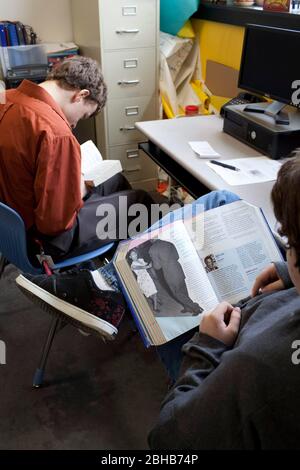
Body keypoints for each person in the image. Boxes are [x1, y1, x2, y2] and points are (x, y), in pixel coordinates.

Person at [148, 157, 300, 450]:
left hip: (227, 357)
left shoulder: (258, 366)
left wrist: (206, 347)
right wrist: (289, 275)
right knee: (224, 200)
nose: (287, 249)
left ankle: (107, 290)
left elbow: (166, 441)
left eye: (289, 243)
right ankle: (107, 286)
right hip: (257, 319)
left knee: (160, 307)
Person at [16, 190, 239, 338]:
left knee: (139, 201)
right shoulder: (56, 133)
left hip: (29, 236)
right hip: (51, 237)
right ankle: (116, 288)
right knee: (218, 200)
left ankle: (112, 287)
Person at [0, 56, 154, 263]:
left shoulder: (7, 98)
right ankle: (127, 273)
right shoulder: (56, 133)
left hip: (10, 225)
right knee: (140, 202)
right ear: (81, 95)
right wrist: (77, 189)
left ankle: (112, 261)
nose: (74, 124)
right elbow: (55, 223)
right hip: (44, 240)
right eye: (82, 116)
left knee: (114, 181)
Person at [149, 239, 203, 315]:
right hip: (178, 269)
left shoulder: (152, 249)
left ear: (151, 239)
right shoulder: (169, 243)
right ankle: (187, 307)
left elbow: (157, 266)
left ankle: (196, 308)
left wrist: (152, 264)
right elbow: (177, 256)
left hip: (170, 274)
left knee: (177, 293)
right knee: (183, 290)